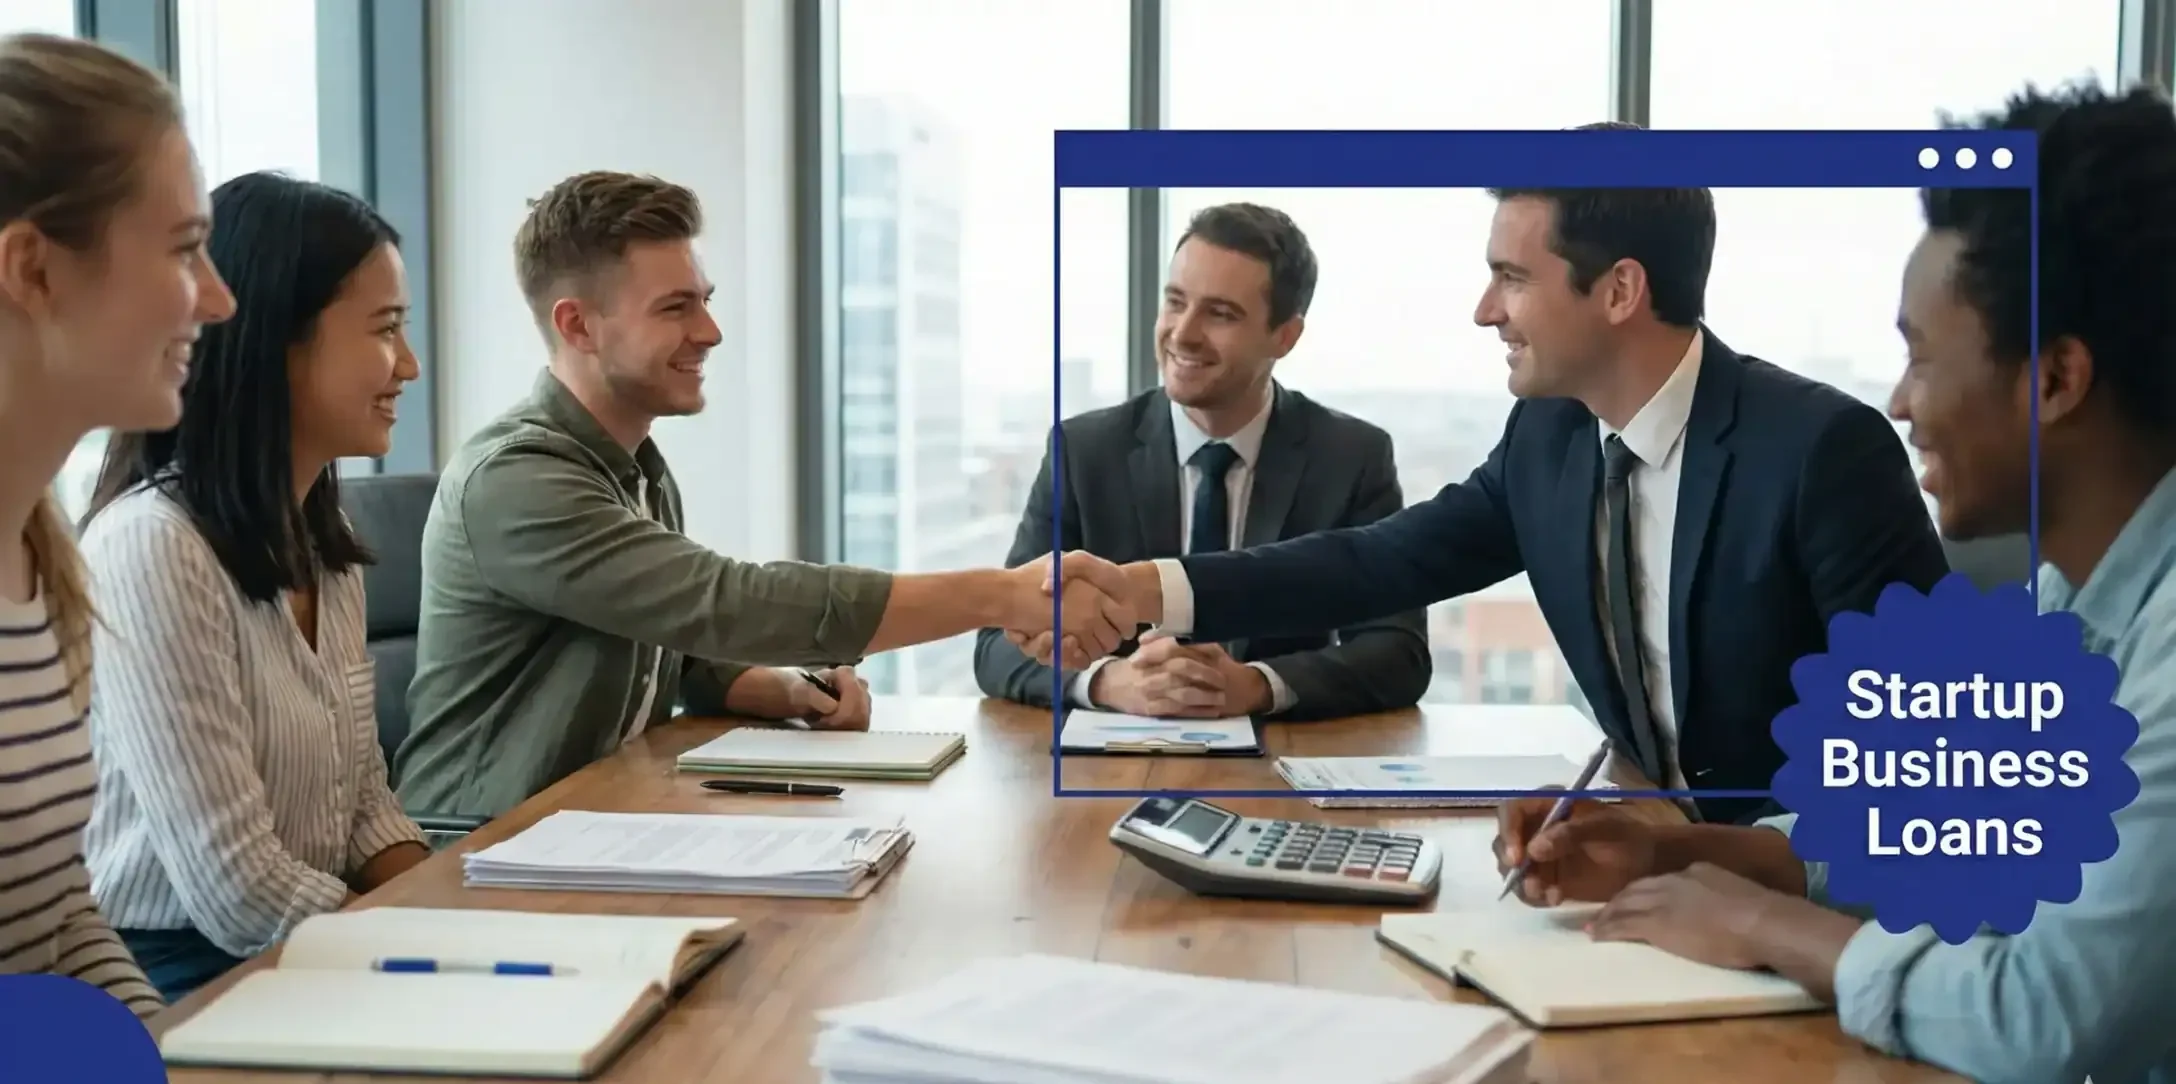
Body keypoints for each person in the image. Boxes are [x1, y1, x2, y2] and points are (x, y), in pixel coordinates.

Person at [1491, 82, 2176, 1084]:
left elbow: (2041, 1018)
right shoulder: (2069, 602)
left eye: (1919, 356)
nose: (1898, 404)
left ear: (2057, 380)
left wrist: (1764, 923)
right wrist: (1673, 855)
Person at [1021, 134, 1950, 824]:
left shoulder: (1822, 451)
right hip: (1648, 863)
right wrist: (1146, 587)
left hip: (1814, 901)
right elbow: (1377, 564)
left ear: (1619, 292)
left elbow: (1936, 762)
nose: (1483, 311)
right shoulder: (1549, 438)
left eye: (1511, 277)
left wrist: (1728, 872)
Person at [395, 170, 1132, 820]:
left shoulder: (635, 470)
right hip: (480, 850)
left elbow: (665, 642)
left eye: (705, 301)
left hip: (592, 823)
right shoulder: (518, 479)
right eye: (675, 307)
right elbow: (725, 603)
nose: (710, 331)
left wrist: (783, 688)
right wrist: (999, 596)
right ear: (578, 325)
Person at [78, 172, 433, 1002]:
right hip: (170, 972)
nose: (409, 366)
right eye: (385, 330)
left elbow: (365, 810)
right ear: (275, 338)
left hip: (306, 943)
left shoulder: (322, 544)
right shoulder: (150, 549)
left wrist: (444, 912)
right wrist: (418, 959)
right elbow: (234, 886)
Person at [974, 203, 1429, 720]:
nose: (1183, 334)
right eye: (1175, 302)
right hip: (1117, 764)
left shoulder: (1351, 458)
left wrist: (1255, 686)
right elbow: (999, 640)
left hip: (1277, 764)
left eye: (1220, 313)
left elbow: (1399, 650)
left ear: (1285, 335)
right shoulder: (1084, 451)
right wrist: (1107, 681)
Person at [0, 32, 234, 1017]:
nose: (219, 299)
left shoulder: (44, 565)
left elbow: (62, 919)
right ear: (32, 268)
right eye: (185, 249)